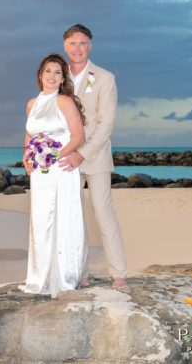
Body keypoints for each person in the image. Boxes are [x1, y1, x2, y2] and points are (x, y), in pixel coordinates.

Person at [58, 24, 128, 290]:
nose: (78, 48)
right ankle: (80, 271)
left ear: (90, 45)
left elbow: (106, 123)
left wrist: (83, 153)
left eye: (83, 43)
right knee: (73, 216)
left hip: (95, 156)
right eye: (73, 43)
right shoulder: (57, 76)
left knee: (103, 213)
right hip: (66, 157)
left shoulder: (104, 77)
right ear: (66, 46)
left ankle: (119, 273)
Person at [18, 53, 87, 297]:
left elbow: (79, 136)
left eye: (57, 72)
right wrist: (28, 156)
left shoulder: (64, 102)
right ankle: (40, 277)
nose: (52, 76)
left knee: (63, 217)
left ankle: (65, 277)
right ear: (40, 75)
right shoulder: (31, 104)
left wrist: (53, 156)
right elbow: (29, 134)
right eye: (48, 71)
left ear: (62, 78)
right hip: (39, 172)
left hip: (61, 168)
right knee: (41, 221)